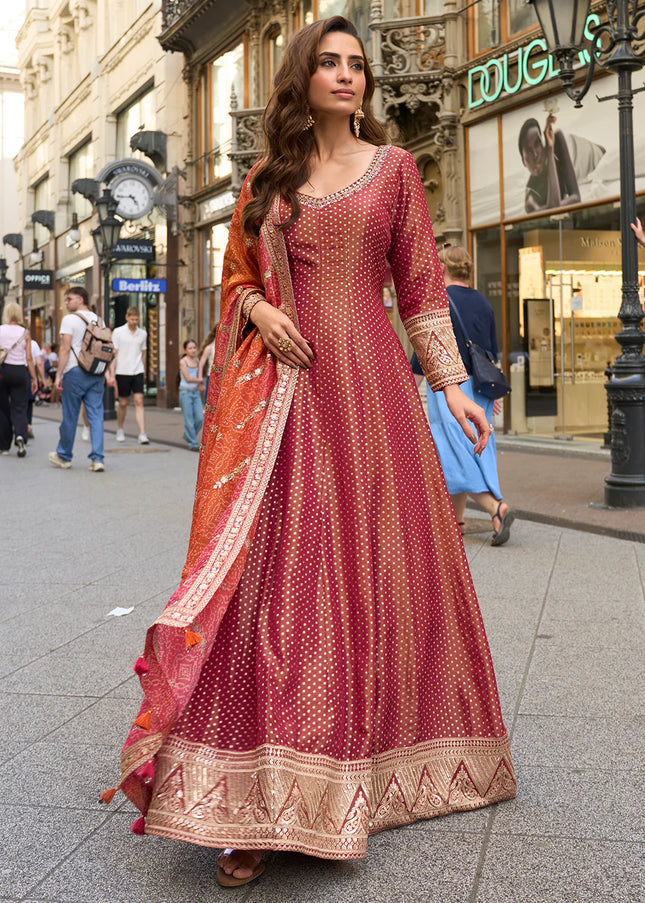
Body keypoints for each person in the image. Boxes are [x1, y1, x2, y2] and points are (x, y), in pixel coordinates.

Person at [114, 17, 515, 886]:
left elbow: (417, 288)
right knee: (279, 584)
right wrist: (257, 311)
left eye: (358, 65)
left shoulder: (396, 169)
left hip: (371, 392)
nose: (347, 76)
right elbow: (237, 279)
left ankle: (362, 770)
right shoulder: (268, 179)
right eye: (330, 63)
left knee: (370, 575)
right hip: (285, 405)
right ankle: (252, 794)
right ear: (302, 77)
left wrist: (452, 389)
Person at [415, 245, 515, 546]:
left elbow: (428, 349)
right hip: (481, 389)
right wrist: (492, 394)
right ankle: (455, 522)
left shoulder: (439, 300)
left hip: (451, 387)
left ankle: (495, 508)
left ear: (442, 268)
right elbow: (490, 351)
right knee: (468, 449)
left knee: (454, 450)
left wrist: (408, 387)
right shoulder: (484, 303)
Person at [48, 286, 115, 471]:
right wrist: (107, 373)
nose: (66, 302)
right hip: (95, 373)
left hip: (75, 371)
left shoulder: (70, 319)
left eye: (69, 299)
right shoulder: (99, 320)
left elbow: (65, 348)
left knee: (70, 415)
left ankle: (64, 456)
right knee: (95, 415)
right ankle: (98, 459)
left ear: (81, 299)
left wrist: (58, 375)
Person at [519, 114, 580, 213]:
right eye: (529, 151)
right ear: (523, 161)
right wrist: (550, 151)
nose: (535, 154)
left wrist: (550, 148)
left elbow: (576, 197)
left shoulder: (557, 139)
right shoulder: (530, 200)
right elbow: (554, 211)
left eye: (537, 144)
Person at [0, 301, 37, 457]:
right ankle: (21, 435)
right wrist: (34, 378)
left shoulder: (0, 330)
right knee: (20, 406)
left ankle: (4, 446)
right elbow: (29, 358)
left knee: (3, 409)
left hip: (3, 371)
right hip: (20, 371)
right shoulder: (25, 333)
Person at [112, 307, 149, 444]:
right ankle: (120, 428)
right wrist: (112, 372)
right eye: (132, 319)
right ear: (127, 317)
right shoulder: (118, 332)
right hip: (122, 371)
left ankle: (142, 433)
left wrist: (143, 369)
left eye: (137, 320)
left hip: (137, 370)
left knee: (139, 401)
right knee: (123, 403)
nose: (134, 322)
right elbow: (114, 353)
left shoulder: (143, 333)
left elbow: (143, 352)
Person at [178, 339, 204, 451]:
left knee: (199, 418)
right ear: (185, 350)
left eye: (194, 348)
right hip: (185, 392)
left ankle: (187, 435)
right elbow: (188, 378)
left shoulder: (197, 361)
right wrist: (200, 380)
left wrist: (200, 384)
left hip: (195, 392)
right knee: (189, 419)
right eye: (190, 348)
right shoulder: (183, 362)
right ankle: (193, 443)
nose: (193, 350)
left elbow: (198, 376)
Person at [197, 327, 217, 402]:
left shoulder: (228, 346)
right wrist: (200, 379)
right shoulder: (209, 348)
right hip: (212, 377)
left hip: (225, 378)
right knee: (210, 402)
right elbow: (201, 364)